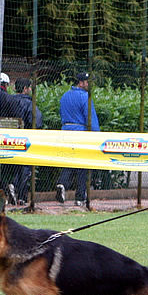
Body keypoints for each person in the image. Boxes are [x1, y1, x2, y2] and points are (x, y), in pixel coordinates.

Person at [56, 72, 100, 206]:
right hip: (81, 134)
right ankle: (80, 197)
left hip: (66, 132)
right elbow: (90, 118)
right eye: (88, 82)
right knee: (83, 166)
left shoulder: (65, 96)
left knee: (68, 161)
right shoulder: (85, 96)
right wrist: (96, 135)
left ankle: (62, 183)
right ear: (82, 82)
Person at [7, 77, 43, 205]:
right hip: (26, 139)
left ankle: (12, 187)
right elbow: (37, 121)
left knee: (13, 167)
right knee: (25, 168)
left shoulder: (9, 101)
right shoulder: (29, 103)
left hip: (9, 139)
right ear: (25, 89)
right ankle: (21, 195)